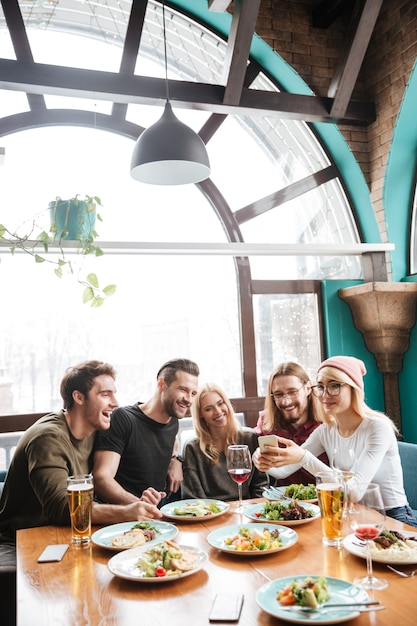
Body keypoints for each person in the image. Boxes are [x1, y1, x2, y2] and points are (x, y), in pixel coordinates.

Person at [0, 360, 164, 547]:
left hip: (65, 535)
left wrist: (175, 458)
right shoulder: (47, 438)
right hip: (19, 543)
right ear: (79, 397)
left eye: (114, 394)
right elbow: (62, 509)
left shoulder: (95, 431)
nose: (115, 403)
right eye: (105, 394)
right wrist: (126, 512)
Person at [253, 355, 417, 527]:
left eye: (334, 386)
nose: (325, 395)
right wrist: (262, 459)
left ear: (353, 388)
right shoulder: (326, 430)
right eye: (321, 387)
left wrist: (304, 457)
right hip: (352, 514)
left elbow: (354, 491)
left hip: (392, 516)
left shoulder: (378, 428)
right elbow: (285, 471)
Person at [92, 358, 199, 505]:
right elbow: (101, 479)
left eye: (193, 393)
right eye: (183, 390)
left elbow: (168, 440)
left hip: (156, 514)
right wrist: (139, 506)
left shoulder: (173, 421)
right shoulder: (123, 418)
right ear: (161, 384)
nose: (189, 400)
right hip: (120, 517)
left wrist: (175, 460)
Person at [182, 383, 268, 501]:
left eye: (220, 403)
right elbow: (193, 498)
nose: (217, 411)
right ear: (200, 415)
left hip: (247, 512)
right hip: (211, 514)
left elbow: (261, 487)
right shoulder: (192, 447)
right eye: (208, 409)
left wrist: (251, 511)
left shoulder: (250, 438)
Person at [255, 362, 328, 486]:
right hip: (282, 500)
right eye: (278, 394)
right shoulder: (266, 421)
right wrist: (257, 457)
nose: (286, 401)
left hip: (324, 498)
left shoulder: (326, 423)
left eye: (292, 392)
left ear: (308, 388)